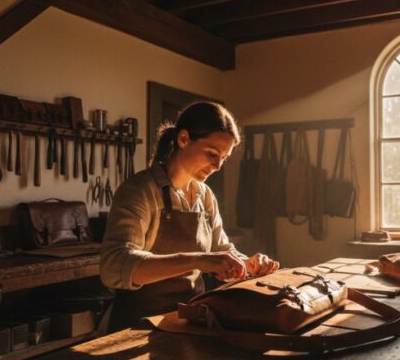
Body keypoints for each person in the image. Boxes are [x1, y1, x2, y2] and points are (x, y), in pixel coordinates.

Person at [100, 101, 279, 329]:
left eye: (224, 158)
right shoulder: (140, 191)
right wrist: (197, 260)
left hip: (188, 320)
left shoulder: (204, 195)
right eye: (212, 154)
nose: (217, 165)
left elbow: (220, 248)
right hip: (136, 325)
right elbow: (113, 266)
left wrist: (246, 263)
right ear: (183, 139)